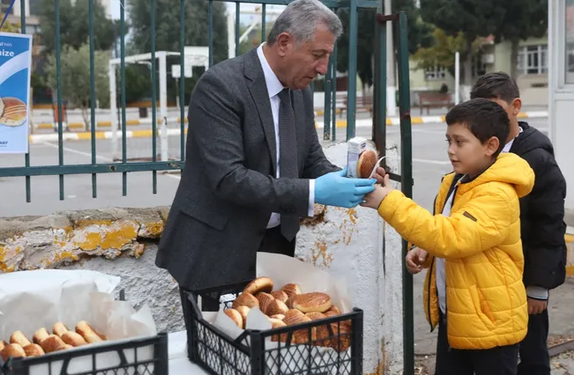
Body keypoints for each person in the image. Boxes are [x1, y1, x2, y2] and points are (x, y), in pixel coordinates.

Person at [155, 0, 382, 306]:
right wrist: (316, 191)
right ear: (285, 43)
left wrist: (346, 178)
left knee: (269, 348)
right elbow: (229, 178)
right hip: (217, 251)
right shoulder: (220, 86)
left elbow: (310, 157)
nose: (323, 69)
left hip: (275, 249)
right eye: (317, 55)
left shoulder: (299, 90)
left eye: (327, 56)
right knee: (220, 347)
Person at [363, 98, 535, 375]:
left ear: (490, 145)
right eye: (448, 141)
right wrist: (426, 250)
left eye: (460, 142)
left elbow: (452, 237)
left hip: (490, 325)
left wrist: (389, 202)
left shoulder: (497, 194)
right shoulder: (459, 181)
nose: (451, 151)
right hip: (456, 316)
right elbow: (450, 232)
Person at [470, 72, 567, 375]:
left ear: (515, 106)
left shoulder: (536, 156)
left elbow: (548, 225)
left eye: (495, 108)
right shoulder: (482, 150)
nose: (488, 117)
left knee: (532, 353)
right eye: (480, 109)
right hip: (493, 277)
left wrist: (538, 286)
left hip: (525, 279)